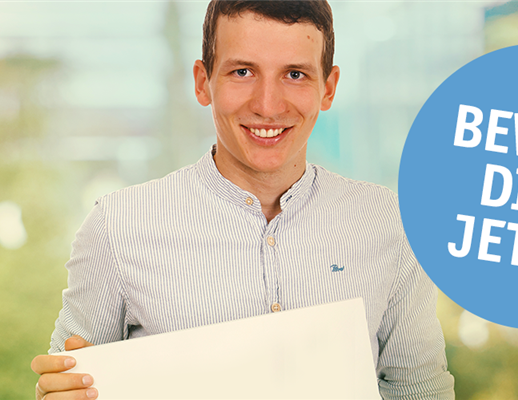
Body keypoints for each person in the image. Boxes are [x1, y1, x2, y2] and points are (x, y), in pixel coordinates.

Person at [30, 0, 456, 399]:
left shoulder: (388, 222)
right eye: (243, 72)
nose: (268, 106)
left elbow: (420, 389)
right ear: (203, 82)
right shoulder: (118, 226)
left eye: (295, 74)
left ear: (328, 89)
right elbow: (71, 380)